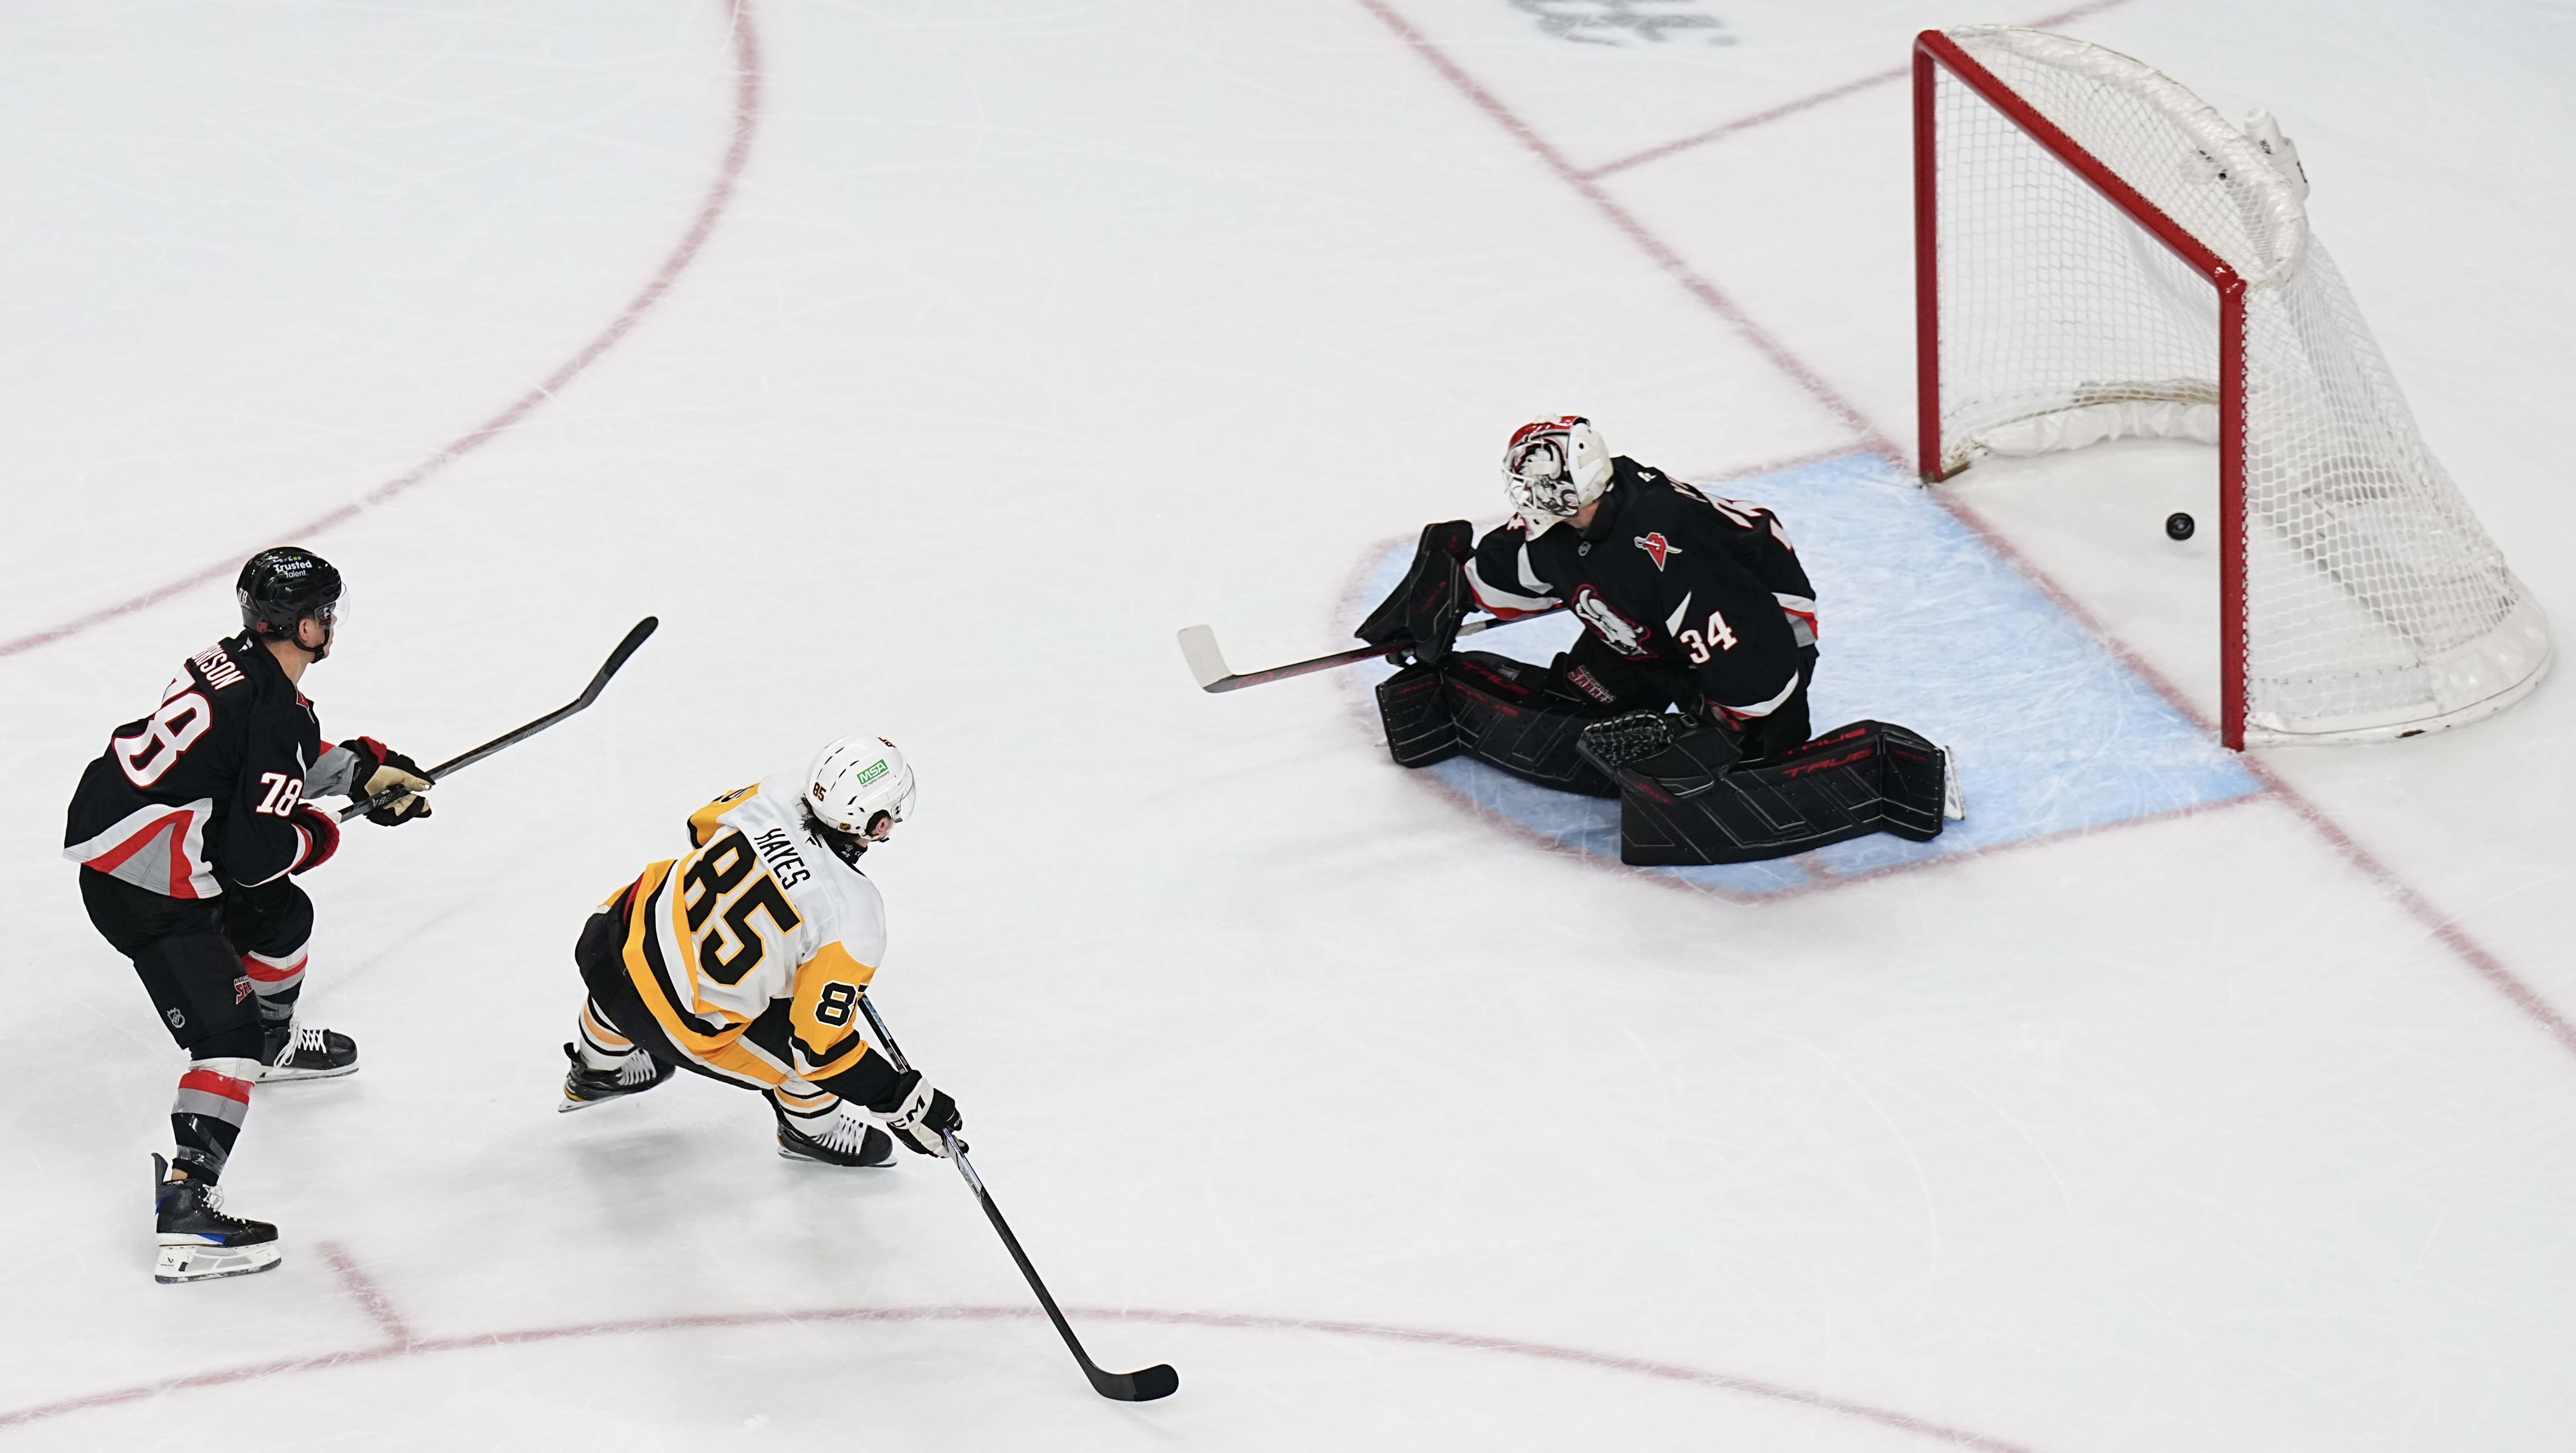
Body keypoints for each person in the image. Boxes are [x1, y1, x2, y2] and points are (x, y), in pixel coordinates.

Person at [64, 547, 435, 1283]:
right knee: (222, 1036)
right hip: (147, 888)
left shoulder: (232, 663)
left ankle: (272, 1041)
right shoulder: (274, 714)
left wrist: (359, 770)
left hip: (131, 839)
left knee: (280, 918)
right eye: (325, 613)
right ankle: (187, 1207)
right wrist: (319, 832)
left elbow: (252, 761)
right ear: (303, 626)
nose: (332, 624)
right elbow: (255, 855)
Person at [1359, 415, 1958, 863]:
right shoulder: (1566, 522)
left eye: (1544, 487)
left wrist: (1725, 725)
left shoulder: (1662, 536)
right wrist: (1444, 595)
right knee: (1585, 692)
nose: (1533, 500)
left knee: (1757, 744)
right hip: (1649, 628)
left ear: (1582, 480)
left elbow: (1742, 637)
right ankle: (1657, 689)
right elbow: (1520, 565)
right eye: (1528, 488)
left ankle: (1739, 724)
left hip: (1763, 632)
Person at [557, 733, 964, 1172]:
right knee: (802, 1056)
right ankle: (810, 1130)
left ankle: (595, 1069)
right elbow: (820, 1051)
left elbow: (699, 828)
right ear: (878, 824)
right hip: (674, 1020)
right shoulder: (853, 920)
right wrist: (901, 1099)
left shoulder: (777, 790)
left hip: (607, 944)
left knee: (650, 944)